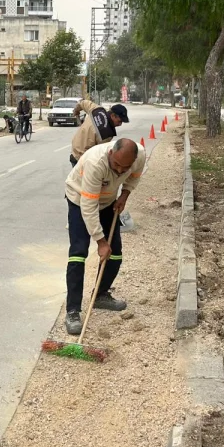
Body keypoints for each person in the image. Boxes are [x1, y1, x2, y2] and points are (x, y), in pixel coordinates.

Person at [63, 138, 145, 335]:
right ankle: (73, 311)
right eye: (116, 164)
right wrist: (100, 241)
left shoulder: (138, 156)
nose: (119, 170)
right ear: (110, 153)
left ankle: (100, 295)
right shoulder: (95, 163)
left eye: (123, 166)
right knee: (78, 252)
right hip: (79, 199)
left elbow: (134, 176)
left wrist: (124, 195)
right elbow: (89, 207)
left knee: (115, 253)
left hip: (108, 202)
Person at [69, 100, 130, 167]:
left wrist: (76, 111)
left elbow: (83, 103)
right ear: (113, 116)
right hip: (83, 160)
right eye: (119, 121)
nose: (120, 124)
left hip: (74, 152)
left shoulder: (96, 110)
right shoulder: (107, 134)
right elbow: (98, 154)